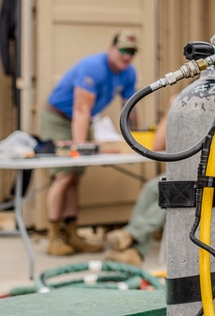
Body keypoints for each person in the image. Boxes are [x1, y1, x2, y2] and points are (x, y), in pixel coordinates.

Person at [41, 30, 139, 256]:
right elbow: (81, 109)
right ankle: (54, 236)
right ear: (112, 48)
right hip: (59, 118)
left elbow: (130, 108)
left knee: (75, 177)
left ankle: (72, 233)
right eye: (123, 50)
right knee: (64, 175)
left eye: (132, 52)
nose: (127, 56)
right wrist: (79, 145)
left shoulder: (129, 73)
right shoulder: (93, 67)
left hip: (82, 119)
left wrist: (137, 138)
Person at [104, 105, 171, 267]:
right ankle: (134, 251)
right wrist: (170, 110)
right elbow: (158, 145)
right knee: (151, 188)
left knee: (171, 192)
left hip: (211, 172)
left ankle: (132, 234)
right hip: (185, 169)